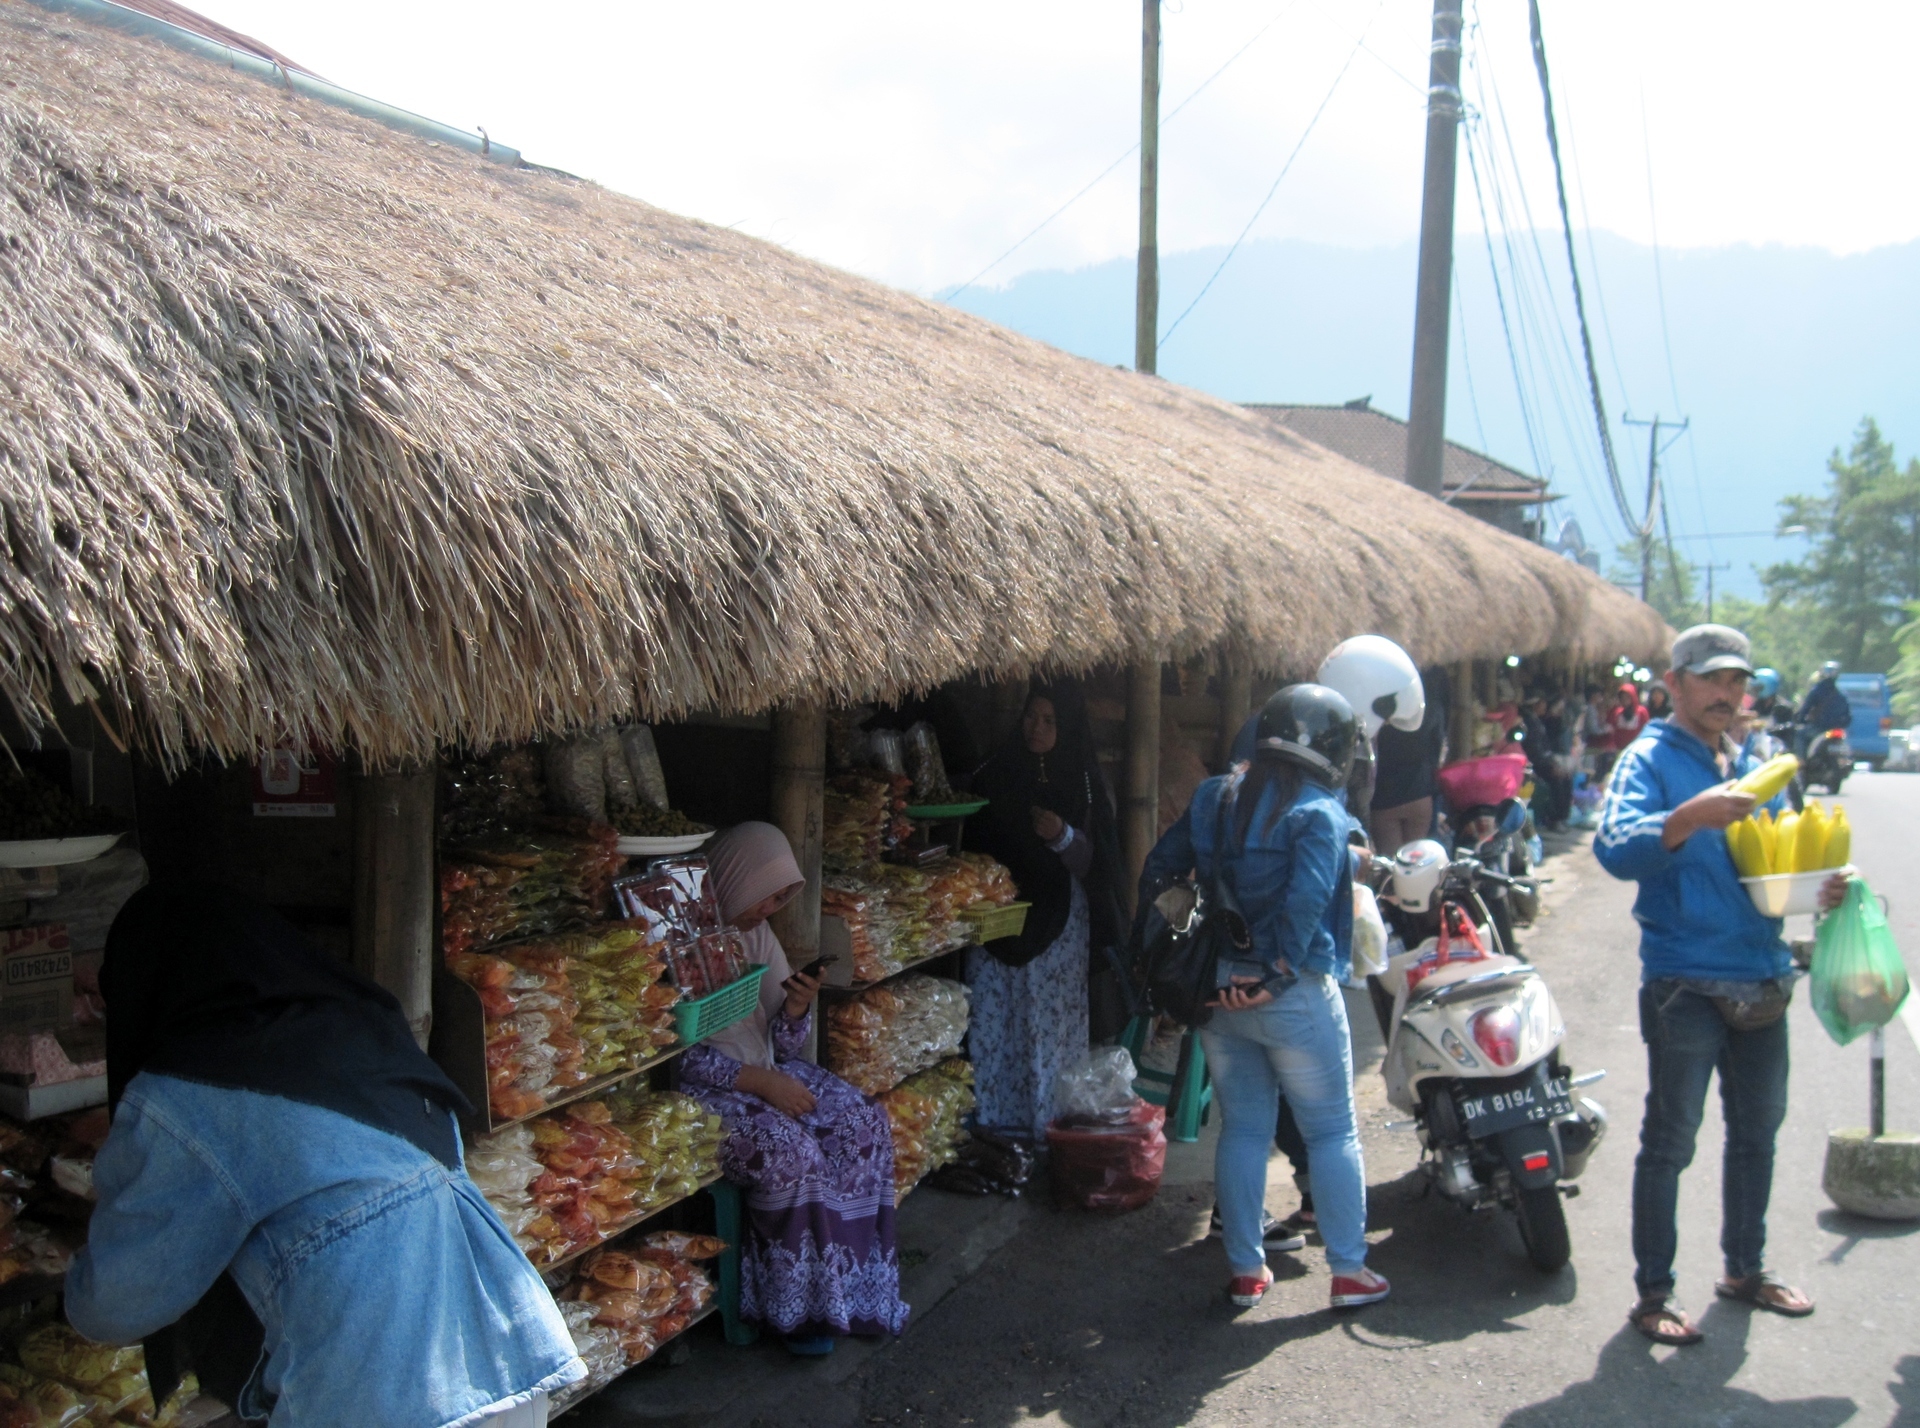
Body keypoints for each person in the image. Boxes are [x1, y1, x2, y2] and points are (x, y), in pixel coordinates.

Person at [67, 882, 583, 1427]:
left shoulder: (191, 1095)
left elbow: (118, 1305)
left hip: (390, 1402)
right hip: (510, 1366)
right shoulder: (364, 1033)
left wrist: (73, 1272)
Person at [1595, 624, 1849, 1346]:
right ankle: (1653, 1294)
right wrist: (1684, 819)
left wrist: (1819, 887)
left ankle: (1744, 1268)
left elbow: (1779, 860)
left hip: (1763, 976)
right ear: (1672, 684)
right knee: (1671, 1141)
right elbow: (1615, 849)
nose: (1727, 694)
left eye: (1737, 681)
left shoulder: (1756, 759)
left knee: (1757, 1136)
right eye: (1710, 680)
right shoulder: (1649, 758)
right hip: (1685, 982)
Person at [1141, 684, 1387, 1313]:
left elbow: (1158, 871)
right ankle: (1349, 1270)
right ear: (1335, 750)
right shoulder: (1319, 811)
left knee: (1245, 1129)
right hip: (1292, 995)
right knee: (1332, 1132)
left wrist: (1186, 945)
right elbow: (1305, 904)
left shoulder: (1213, 796)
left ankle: (1247, 1271)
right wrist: (1274, 976)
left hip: (1220, 993)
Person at [678, 823, 908, 1355]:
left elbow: (782, 1043)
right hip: (703, 1090)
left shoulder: (757, 935)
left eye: (781, 898)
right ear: (732, 879)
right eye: (767, 894)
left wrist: (797, 1007)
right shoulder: (674, 943)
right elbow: (665, 1055)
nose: (770, 908)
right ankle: (798, 1313)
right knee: (793, 1155)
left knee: (863, 1125)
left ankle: (848, 1293)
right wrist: (758, 1082)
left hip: (766, 1071)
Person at [966, 682, 1126, 1130]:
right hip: (1000, 920)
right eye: (1031, 716)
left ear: (1068, 726)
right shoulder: (997, 771)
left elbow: (1100, 865)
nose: (1036, 728)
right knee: (996, 1016)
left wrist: (1063, 837)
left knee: (1045, 1021)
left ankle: (1044, 1123)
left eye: (1050, 720)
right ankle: (994, 1122)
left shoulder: (1084, 783)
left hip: (1058, 925)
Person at [1796, 661, 1852, 753]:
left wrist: (1801, 719)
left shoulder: (1816, 691)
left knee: (1800, 734)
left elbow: (1805, 710)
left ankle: (1801, 762)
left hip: (1819, 729)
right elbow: (1848, 717)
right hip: (1836, 730)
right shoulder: (1841, 694)